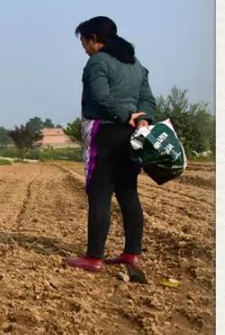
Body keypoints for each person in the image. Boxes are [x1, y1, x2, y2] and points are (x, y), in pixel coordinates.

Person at [64, 16, 156, 272]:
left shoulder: (97, 62)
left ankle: (93, 257)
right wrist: (141, 118)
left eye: (83, 41)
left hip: (105, 132)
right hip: (132, 135)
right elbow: (148, 99)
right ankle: (131, 253)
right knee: (128, 191)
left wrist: (124, 115)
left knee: (100, 193)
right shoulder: (136, 65)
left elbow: (101, 97)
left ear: (94, 39)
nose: (83, 47)